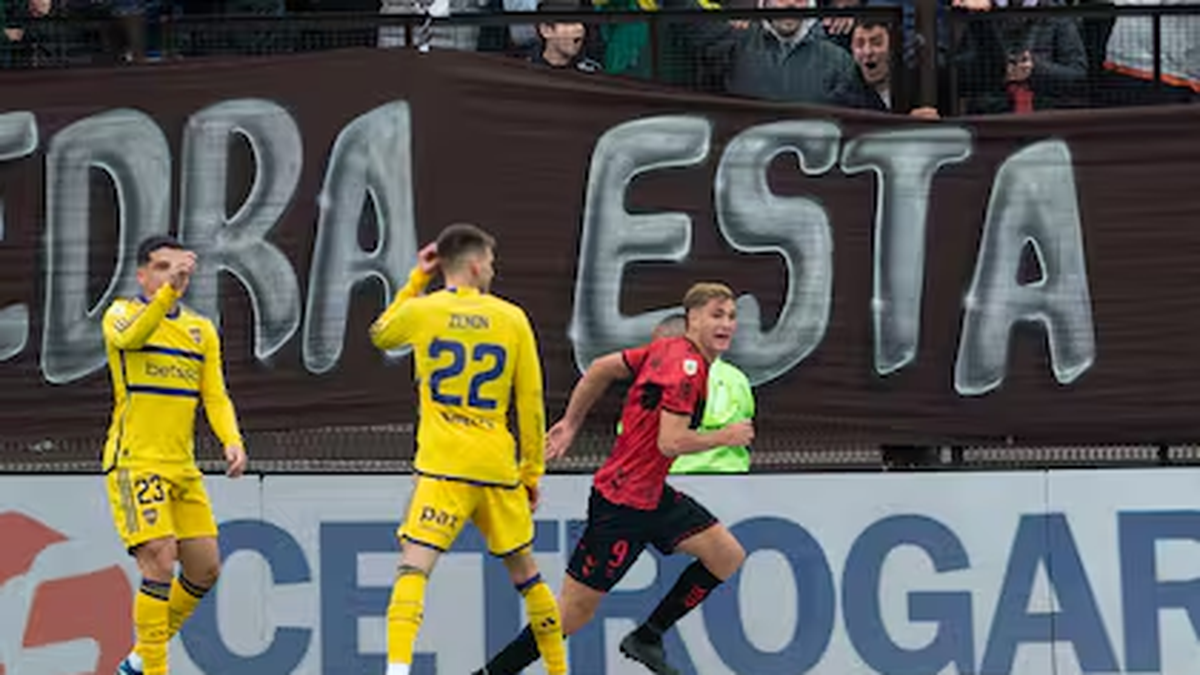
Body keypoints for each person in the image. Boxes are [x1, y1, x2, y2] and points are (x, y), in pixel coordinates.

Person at [476, 282, 754, 675]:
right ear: (692, 319)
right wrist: (726, 436)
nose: (726, 324)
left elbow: (601, 368)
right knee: (572, 614)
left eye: (730, 316)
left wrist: (571, 424)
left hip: (651, 495)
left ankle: (648, 636)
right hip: (621, 505)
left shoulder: (668, 350)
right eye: (716, 315)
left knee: (726, 555)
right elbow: (671, 442)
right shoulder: (686, 369)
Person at [368, 223, 566, 675]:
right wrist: (531, 473)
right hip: (495, 467)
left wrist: (418, 280)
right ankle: (558, 670)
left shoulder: (425, 312)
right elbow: (530, 404)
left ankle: (397, 671)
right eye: (491, 262)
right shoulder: (512, 318)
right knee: (529, 579)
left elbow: (380, 333)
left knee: (413, 569)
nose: (493, 269)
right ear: (476, 265)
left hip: (443, 467)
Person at [104, 235, 248, 675]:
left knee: (205, 568)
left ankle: (137, 660)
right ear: (142, 275)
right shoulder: (121, 315)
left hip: (181, 467)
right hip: (135, 462)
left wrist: (232, 438)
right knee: (160, 561)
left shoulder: (200, 330)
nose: (171, 276)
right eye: (161, 268)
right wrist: (167, 293)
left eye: (176, 267)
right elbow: (132, 337)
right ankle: (155, 670)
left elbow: (215, 395)